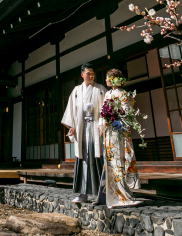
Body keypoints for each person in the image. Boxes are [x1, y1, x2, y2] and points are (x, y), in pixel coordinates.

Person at [61, 62, 106, 203]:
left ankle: (102, 194)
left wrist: (103, 123)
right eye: (88, 73)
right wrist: (72, 126)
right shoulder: (76, 91)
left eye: (93, 73)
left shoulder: (100, 89)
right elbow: (72, 111)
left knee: (97, 158)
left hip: (96, 128)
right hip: (81, 129)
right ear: (82, 75)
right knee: (83, 159)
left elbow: (106, 109)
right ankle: (83, 194)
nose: (91, 76)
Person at [99, 68, 143, 208]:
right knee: (110, 162)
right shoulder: (107, 94)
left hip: (118, 131)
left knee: (118, 161)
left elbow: (127, 112)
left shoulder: (123, 94)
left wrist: (113, 118)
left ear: (113, 79)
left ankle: (122, 194)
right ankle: (110, 194)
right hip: (108, 133)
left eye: (107, 77)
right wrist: (102, 123)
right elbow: (103, 112)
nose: (105, 80)